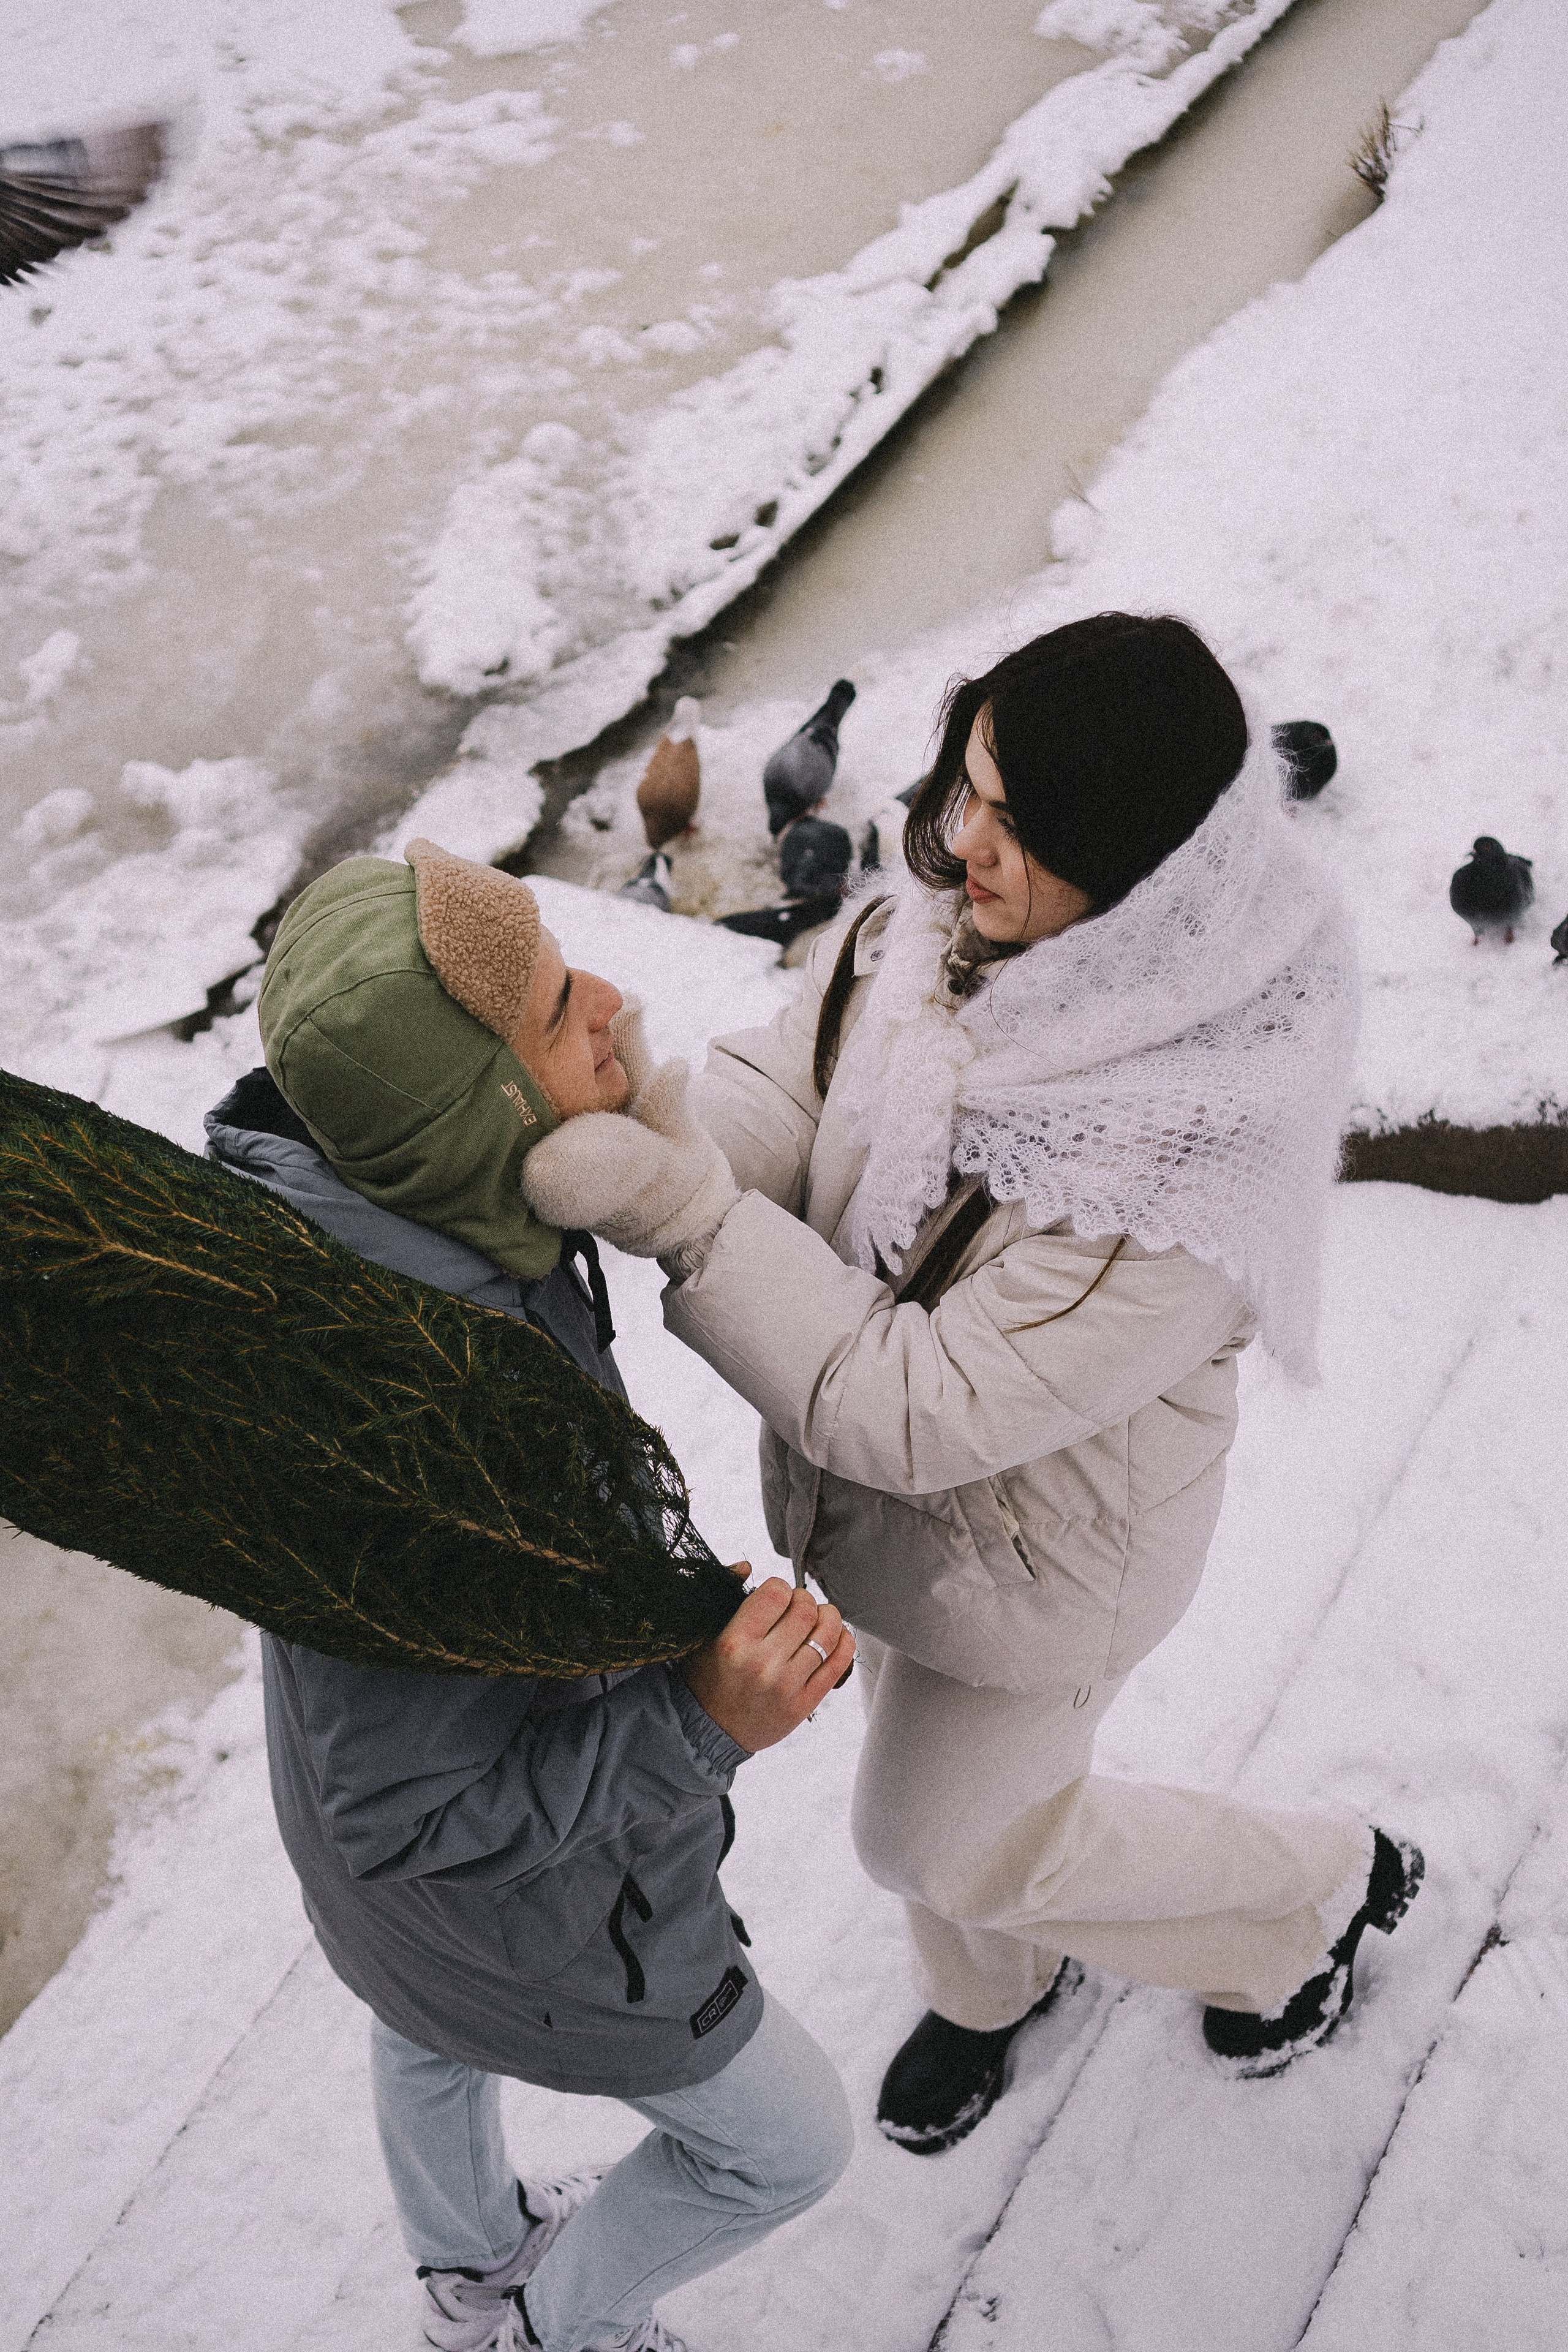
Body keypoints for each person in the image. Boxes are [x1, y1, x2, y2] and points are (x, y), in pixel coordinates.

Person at [520, 613, 1424, 2158]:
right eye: (971, 787)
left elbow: (923, 1404)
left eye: (1018, 825)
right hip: (886, 1517)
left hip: (1040, 1561)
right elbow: (795, 1079)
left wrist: (677, 1216)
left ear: (1140, 877)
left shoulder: (1170, 1152)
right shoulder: (945, 930)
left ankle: (1309, 1898)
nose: (957, 842)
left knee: (932, 1829)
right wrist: (672, 1131)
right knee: (953, 1814)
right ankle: (995, 1987)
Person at [205, 839, 854, 2352]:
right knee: (783, 2145)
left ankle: (462, 2264)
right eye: (566, 1009)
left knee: (419, 2024)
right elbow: (414, 1815)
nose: (618, 1004)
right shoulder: (428, 1439)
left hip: (393, 1923)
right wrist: (699, 1725)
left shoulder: (398, 1239)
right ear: (483, 1116)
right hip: (521, 1915)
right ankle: (550, 2330)